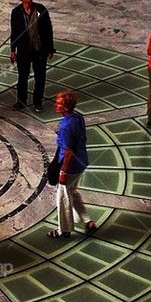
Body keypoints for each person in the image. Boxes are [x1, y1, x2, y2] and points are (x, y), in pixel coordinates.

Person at [49, 90, 94, 238]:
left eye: (59, 103)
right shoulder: (78, 117)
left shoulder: (65, 127)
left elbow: (68, 151)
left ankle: (64, 230)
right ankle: (88, 222)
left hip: (71, 167)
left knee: (62, 197)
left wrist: (63, 172)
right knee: (72, 193)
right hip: (81, 162)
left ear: (66, 107)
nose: (56, 105)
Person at [10, 0, 55, 112]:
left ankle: (37, 102)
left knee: (40, 77)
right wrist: (13, 50)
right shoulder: (16, 13)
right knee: (22, 77)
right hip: (24, 51)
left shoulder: (41, 9)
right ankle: (21, 101)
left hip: (39, 50)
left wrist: (50, 48)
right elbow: (14, 32)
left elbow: (48, 29)